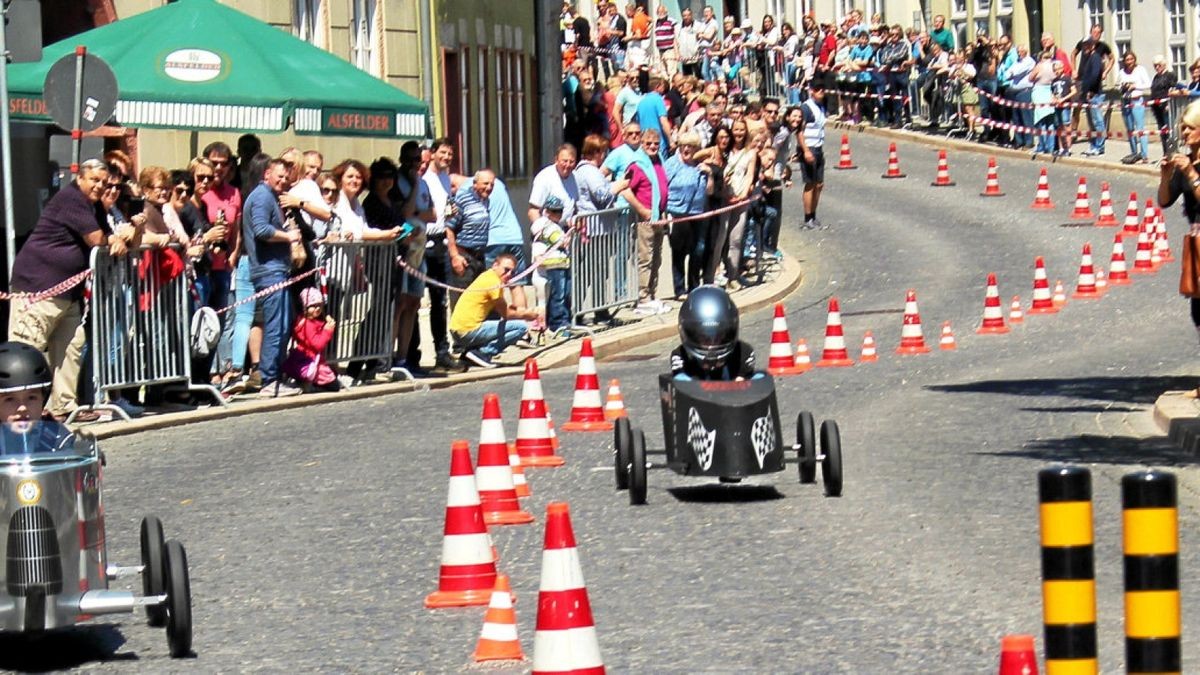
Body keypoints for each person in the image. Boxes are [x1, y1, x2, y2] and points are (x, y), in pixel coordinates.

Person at [9, 160, 125, 423]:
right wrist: (115, 239)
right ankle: (18, 413)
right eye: (94, 180)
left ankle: (63, 406)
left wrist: (123, 237)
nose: (100, 186)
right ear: (80, 178)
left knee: (71, 347)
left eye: (104, 182)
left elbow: (107, 235)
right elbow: (97, 239)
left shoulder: (92, 205)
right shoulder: (71, 199)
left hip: (68, 292)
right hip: (39, 288)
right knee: (28, 350)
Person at [243, 158, 304, 398]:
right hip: (268, 270)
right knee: (275, 326)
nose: (283, 181)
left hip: (276, 269)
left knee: (282, 323)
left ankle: (275, 376)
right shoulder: (262, 197)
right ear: (267, 173)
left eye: (286, 178)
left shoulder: (269, 196)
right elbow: (261, 230)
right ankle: (270, 380)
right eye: (279, 176)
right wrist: (289, 236)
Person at [1160, 99, 1200, 391]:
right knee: (1198, 312)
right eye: (1183, 128)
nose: (1185, 133)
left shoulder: (1191, 167)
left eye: (1191, 128)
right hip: (1196, 241)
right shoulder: (1187, 160)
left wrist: (1190, 174)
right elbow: (1164, 201)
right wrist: (1166, 177)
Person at [448, 253, 538, 369]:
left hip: (458, 330)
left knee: (499, 325)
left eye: (512, 272)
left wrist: (520, 311)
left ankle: (470, 354)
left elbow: (504, 308)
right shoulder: (494, 283)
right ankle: (483, 353)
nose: (509, 274)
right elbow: (506, 314)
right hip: (468, 330)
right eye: (506, 270)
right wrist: (528, 315)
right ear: (495, 265)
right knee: (521, 327)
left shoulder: (487, 277)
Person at [619, 128, 670, 314]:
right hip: (645, 220)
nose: (652, 147)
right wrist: (642, 210)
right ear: (642, 144)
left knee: (657, 258)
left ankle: (652, 293)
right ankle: (643, 296)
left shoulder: (659, 161)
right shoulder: (637, 164)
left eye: (656, 144)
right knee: (645, 258)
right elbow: (625, 190)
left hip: (659, 218)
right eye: (648, 143)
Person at [664, 131, 713, 299]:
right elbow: (663, 188)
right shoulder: (672, 164)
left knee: (698, 250)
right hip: (677, 213)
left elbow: (710, 190)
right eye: (684, 146)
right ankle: (679, 289)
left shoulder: (701, 165)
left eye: (691, 146)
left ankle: (694, 286)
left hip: (698, 213)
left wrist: (709, 174)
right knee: (679, 251)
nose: (687, 149)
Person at [669, 286, 755, 381]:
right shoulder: (681, 356)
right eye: (705, 339)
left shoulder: (743, 353)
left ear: (727, 334)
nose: (712, 345)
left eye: (718, 338)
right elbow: (682, 385)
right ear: (693, 336)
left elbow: (749, 387)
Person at [0, 342, 73, 452]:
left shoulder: (56, 438)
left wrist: (83, 457)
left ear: (43, 398)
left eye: (31, 398)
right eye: (10, 399)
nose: (22, 408)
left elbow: (77, 460)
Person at [282, 287, 345, 392]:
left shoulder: (302, 321)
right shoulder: (308, 324)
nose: (318, 308)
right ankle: (312, 386)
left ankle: (306, 382)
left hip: (303, 358)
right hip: (312, 360)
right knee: (334, 386)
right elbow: (317, 344)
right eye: (313, 306)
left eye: (320, 305)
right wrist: (327, 330)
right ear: (305, 307)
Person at [530, 196, 571, 335]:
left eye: (560, 211)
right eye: (555, 211)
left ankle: (563, 322)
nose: (558, 214)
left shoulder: (554, 226)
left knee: (564, 295)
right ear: (546, 211)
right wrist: (564, 239)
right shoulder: (544, 225)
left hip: (560, 264)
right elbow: (555, 239)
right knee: (557, 296)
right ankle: (557, 325)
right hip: (551, 266)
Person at [1075, 26, 1114, 156]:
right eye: (1084, 46)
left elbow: (1095, 76)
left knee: (1098, 121)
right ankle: (1093, 145)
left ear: (1091, 46)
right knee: (1092, 121)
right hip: (1088, 94)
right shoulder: (1089, 58)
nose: (1085, 48)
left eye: (1087, 46)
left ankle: (1100, 146)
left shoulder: (1096, 57)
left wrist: (1091, 91)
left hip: (1095, 94)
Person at [1117, 51, 1152, 164]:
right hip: (1125, 100)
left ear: (1134, 59)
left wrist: (1135, 86)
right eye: (1127, 60)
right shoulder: (1122, 72)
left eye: (1131, 59)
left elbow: (1148, 84)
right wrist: (1123, 87)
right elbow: (1117, 85)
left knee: (1140, 128)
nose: (1129, 62)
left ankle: (1144, 154)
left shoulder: (1140, 70)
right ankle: (1134, 152)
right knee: (1130, 129)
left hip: (1137, 100)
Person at [1150, 55, 1181, 158]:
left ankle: (1172, 152)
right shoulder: (1156, 77)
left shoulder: (1170, 75)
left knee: (1169, 130)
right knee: (1162, 130)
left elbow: (1172, 88)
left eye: (1158, 65)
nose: (1157, 68)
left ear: (1164, 64)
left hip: (1167, 107)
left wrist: (1168, 103)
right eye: (1155, 66)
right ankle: (1165, 152)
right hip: (1156, 107)